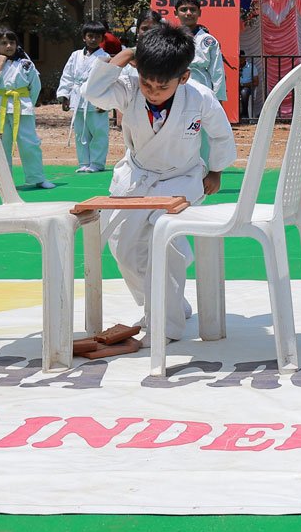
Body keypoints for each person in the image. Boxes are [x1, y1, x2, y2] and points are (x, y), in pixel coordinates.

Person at [82, 24, 237, 352]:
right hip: (137, 175)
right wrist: (127, 55)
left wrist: (216, 170)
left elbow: (221, 134)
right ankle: (170, 301)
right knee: (123, 248)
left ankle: (165, 322)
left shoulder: (199, 96)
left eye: (162, 86)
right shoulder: (129, 88)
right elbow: (93, 92)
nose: (152, 91)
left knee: (162, 238)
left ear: (183, 78)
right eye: (147, 83)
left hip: (182, 178)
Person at [0, 27, 54, 190]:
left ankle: (37, 178)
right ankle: (2, 181)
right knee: (1, 145)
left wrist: (28, 102)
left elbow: (35, 86)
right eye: (4, 43)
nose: (9, 46)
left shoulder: (25, 64)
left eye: (12, 42)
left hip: (22, 106)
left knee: (30, 143)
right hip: (0, 108)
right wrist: (0, 64)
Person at [58, 20, 112, 174]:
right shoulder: (75, 55)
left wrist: (105, 102)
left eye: (97, 37)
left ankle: (97, 163)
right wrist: (64, 95)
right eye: (90, 36)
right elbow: (67, 75)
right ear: (84, 37)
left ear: (102, 39)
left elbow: (108, 80)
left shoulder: (105, 56)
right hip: (78, 98)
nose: (93, 39)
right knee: (80, 132)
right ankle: (84, 162)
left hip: (96, 98)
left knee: (99, 132)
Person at [173, 0, 227, 102]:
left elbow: (217, 72)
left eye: (193, 9)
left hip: (202, 91)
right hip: (175, 90)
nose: (188, 13)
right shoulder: (169, 39)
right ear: (176, 13)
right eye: (183, 9)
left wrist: (218, 100)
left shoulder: (208, 41)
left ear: (199, 12)